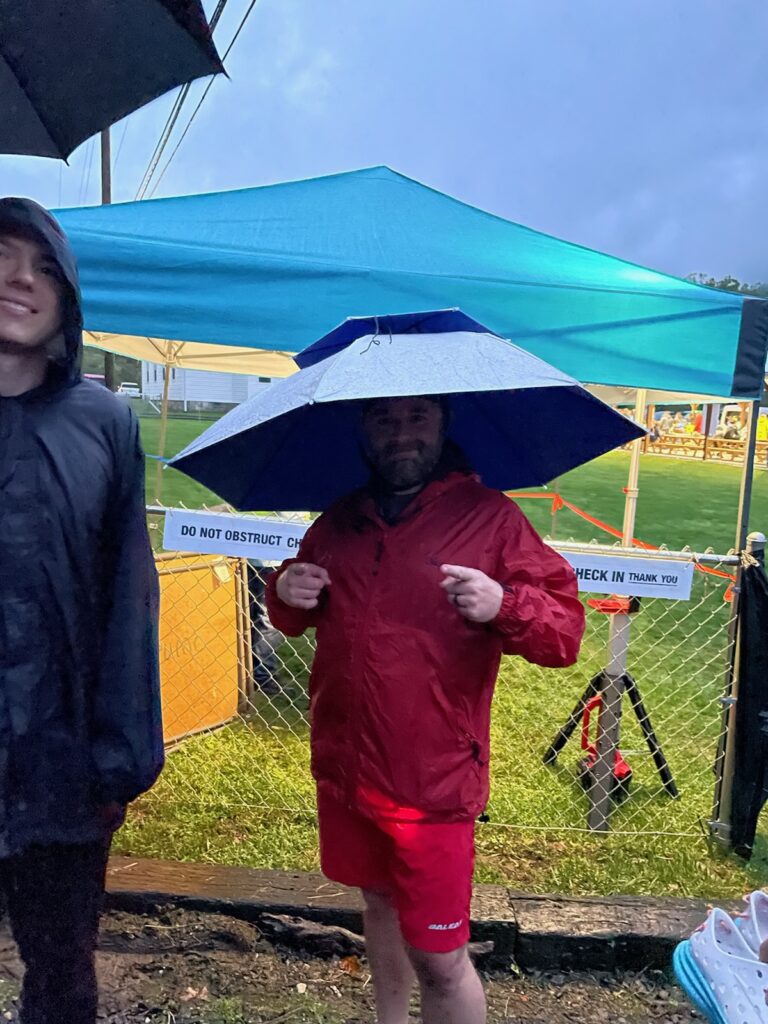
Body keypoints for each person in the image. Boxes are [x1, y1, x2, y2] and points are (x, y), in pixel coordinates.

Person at [266, 395, 585, 1024]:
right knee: (379, 906)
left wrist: (504, 604)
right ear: (363, 428)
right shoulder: (340, 519)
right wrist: (285, 588)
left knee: (441, 960)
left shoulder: (490, 519)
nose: (401, 433)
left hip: (432, 784)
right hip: (349, 772)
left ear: (443, 424)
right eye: (384, 418)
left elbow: (565, 635)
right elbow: (298, 612)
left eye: (417, 416)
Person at [0, 197, 163, 1024]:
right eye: (0, 258)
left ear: (65, 295)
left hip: (64, 766)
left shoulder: (104, 425)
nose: (18, 280)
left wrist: (119, 755)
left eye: (41, 267)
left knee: (62, 973)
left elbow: (129, 597)